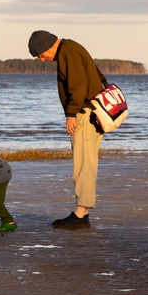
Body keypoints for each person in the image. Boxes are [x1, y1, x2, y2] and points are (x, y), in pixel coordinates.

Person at [28, 30, 105, 229]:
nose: (43, 60)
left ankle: (80, 214)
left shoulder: (67, 52)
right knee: (85, 163)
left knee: (83, 164)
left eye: (41, 55)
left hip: (84, 114)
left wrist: (71, 113)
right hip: (90, 111)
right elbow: (97, 74)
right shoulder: (71, 48)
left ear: (47, 46)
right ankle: (82, 211)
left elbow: (78, 85)